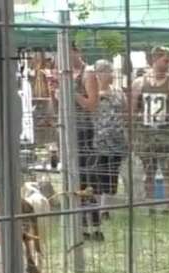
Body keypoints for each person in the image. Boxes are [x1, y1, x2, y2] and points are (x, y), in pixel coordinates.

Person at [130, 46, 169, 213]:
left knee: (168, 172)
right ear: (155, 59)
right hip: (145, 135)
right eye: (165, 60)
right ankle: (150, 206)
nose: (168, 64)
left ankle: (168, 207)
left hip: (166, 135)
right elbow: (132, 111)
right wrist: (131, 134)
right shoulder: (139, 83)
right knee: (148, 173)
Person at [60, 42, 100, 237]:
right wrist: (56, 93)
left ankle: (94, 226)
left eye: (67, 52)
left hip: (84, 131)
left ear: (77, 51)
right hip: (66, 131)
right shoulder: (63, 74)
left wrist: (71, 93)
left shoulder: (88, 74)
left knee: (85, 180)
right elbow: (57, 107)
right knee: (69, 179)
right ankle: (76, 225)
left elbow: (92, 105)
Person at [90, 59, 128, 238]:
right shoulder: (94, 93)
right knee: (100, 176)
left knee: (112, 176)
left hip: (118, 140)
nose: (110, 74)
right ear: (98, 74)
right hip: (100, 141)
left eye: (111, 71)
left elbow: (126, 112)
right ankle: (98, 208)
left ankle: (106, 209)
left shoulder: (119, 92)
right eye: (106, 71)